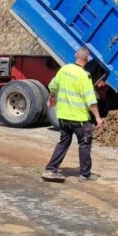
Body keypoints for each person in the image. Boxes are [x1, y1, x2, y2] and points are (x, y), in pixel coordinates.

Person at [43, 46, 104, 182]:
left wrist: (51, 97)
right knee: (84, 144)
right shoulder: (84, 75)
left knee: (63, 142)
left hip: (64, 117)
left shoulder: (64, 69)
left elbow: (53, 85)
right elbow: (91, 100)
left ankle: (50, 169)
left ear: (76, 55)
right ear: (87, 59)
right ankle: (85, 174)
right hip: (80, 119)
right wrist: (98, 118)